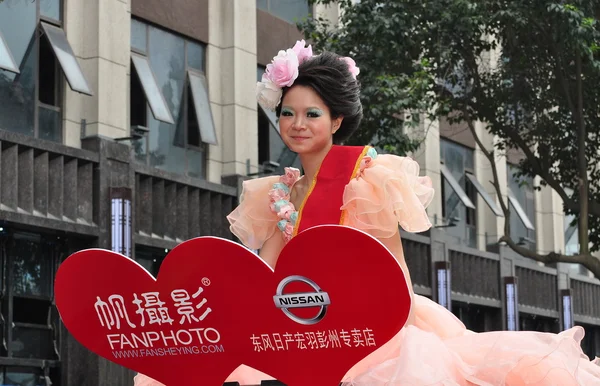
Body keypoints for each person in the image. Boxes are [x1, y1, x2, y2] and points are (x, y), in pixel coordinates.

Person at [134, 41, 600, 385]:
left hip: (368, 328)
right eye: (288, 113)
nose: (298, 124)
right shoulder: (277, 191)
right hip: (297, 328)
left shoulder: (367, 175)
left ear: (336, 120)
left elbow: (386, 269)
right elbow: (268, 275)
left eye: (312, 114)